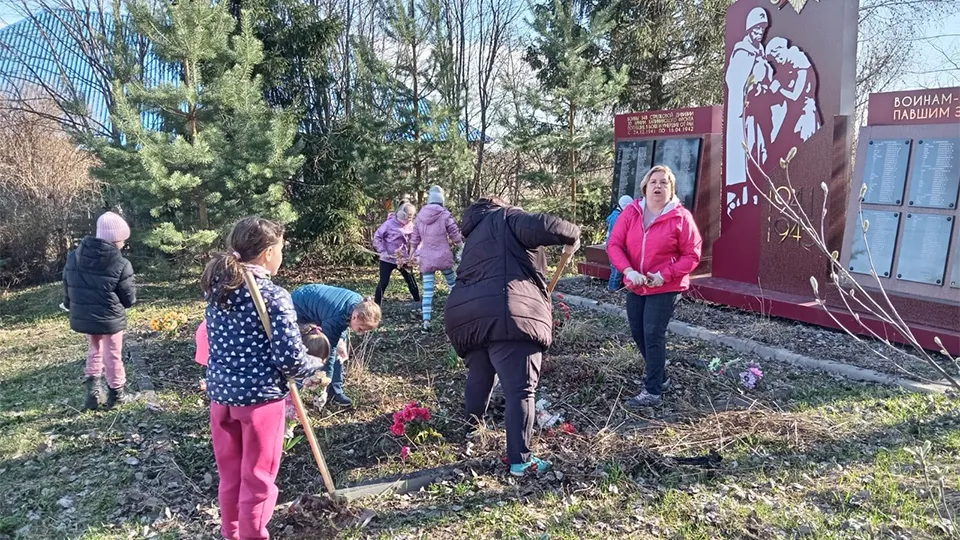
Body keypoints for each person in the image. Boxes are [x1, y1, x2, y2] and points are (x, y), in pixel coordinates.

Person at [200, 217, 321, 540]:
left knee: (230, 476)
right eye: (281, 248)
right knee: (258, 478)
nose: (282, 255)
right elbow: (289, 358)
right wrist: (315, 363)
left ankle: (232, 533)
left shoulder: (218, 289)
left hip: (221, 398)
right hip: (259, 402)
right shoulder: (272, 295)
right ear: (268, 253)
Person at [445, 197, 580, 476]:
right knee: (520, 388)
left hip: (466, 314)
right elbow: (545, 225)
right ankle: (521, 461)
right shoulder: (507, 217)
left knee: (480, 376)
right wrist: (574, 233)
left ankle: (473, 431)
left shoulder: (474, 234)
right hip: (508, 311)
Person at [607, 166, 702, 408]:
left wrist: (664, 274)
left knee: (652, 332)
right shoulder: (631, 212)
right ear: (645, 187)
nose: (658, 187)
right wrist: (628, 271)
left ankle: (652, 391)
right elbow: (615, 245)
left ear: (671, 189)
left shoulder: (681, 217)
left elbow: (692, 255)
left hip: (666, 285)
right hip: (636, 283)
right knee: (638, 332)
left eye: (664, 183)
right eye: (653, 182)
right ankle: (661, 377)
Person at [63, 211, 136, 410]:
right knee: (113, 354)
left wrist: (70, 304)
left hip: (85, 315)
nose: (124, 244)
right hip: (110, 318)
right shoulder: (121, 263)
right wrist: (128, 301)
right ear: (115, 239)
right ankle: (117, 394)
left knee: (95, 350)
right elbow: (128, 298)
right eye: (122, 240)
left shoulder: (74, 257)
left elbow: (68, 284)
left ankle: (93, 392)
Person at [291, 284, 382, 409]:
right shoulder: (337, 315)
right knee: (313, 350)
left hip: (319, 307)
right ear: (355, 317)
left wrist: (342, 340)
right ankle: (293, 392)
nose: (361, 333)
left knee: (339, 352)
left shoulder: (359, 304)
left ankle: (334, 393)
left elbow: (342, 323)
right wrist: (325, 381)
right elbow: (327, 351)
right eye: (361, 328)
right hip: (299, 308)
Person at [724, 6, 769, 216]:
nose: (760, 32)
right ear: (749, 29)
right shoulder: (743, 52)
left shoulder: (760, 52)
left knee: (759, 154)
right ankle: (740, 200)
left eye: (763, 28)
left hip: (759, 115)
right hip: (745, 116)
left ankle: (755, 195)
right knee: (744, 156)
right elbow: (735, 82)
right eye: (757, 28)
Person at [409, 185, 463, 331]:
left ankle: (426, 321)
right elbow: (454, 233)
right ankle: (460, 314)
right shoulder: (445, 214)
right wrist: (462, 245)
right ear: (441, 201)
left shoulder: (420, 216)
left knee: (427, 291)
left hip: (427, 258)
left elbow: (415, 237)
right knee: (453, 285)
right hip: (443, 257)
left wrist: (411, 253)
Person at [283, 324, 331, 438]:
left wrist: (321, 392)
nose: (320, 364)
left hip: (291, 402)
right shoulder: (290, 367)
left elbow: (316, 387)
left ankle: (286, 432)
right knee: (286, 418)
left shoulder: (312, 370)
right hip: (283, 400)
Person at [373, 202, 421, 306]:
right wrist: (382, 250)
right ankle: (376, 305)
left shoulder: (411, 226)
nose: (407, 221)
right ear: (400, 215)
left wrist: (415, 255)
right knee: (384, 281)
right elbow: (377, 236)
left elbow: (416, 241)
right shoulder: (388, 224)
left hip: (402, 259)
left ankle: (417, 301)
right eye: (406, 219)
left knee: (410, 279)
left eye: (410, 219)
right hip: (387, 258)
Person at [605, 195, 634, 292]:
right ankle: (612, 288)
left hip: (612, 245)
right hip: (615, 246)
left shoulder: (613, 215)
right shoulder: (618, 218)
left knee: (616, 268)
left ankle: (614, 287)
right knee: (617, 269)